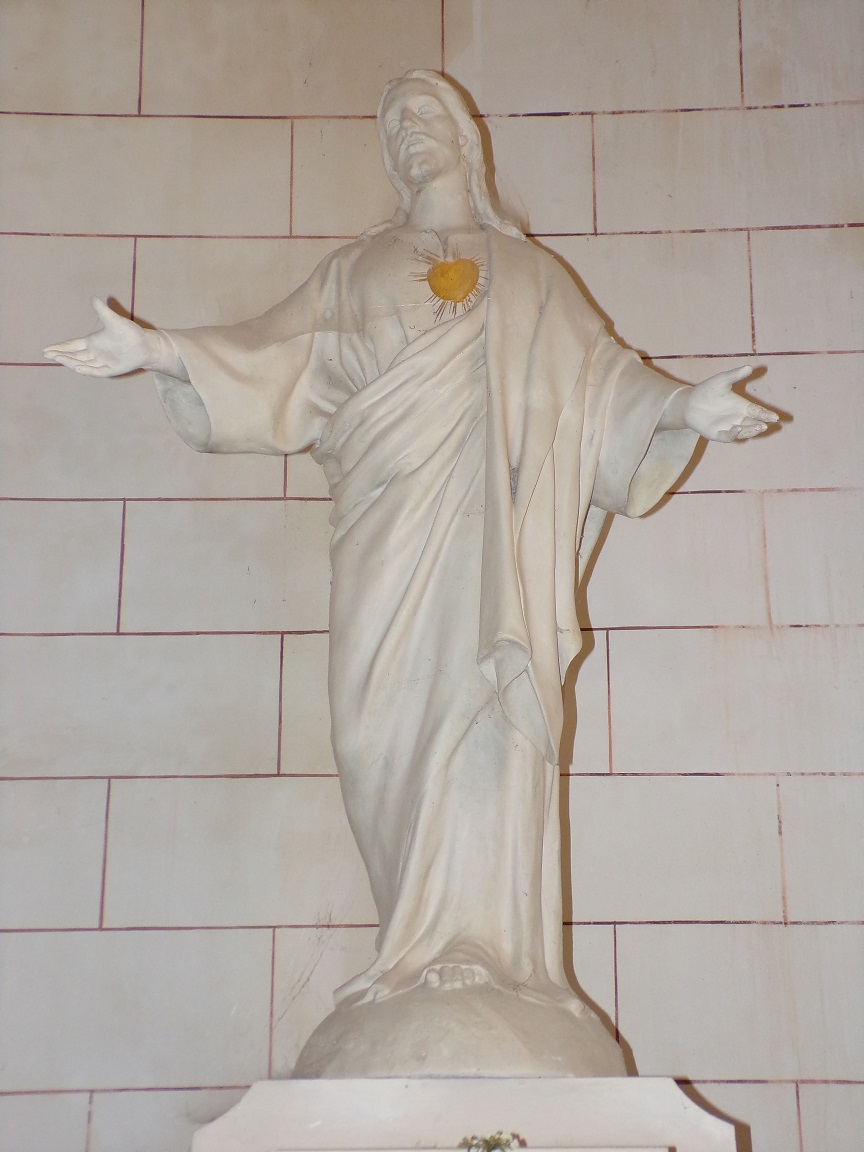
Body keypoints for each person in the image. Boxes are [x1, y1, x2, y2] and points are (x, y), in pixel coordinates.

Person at [45, 72, 777, 1021]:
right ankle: (411, 942)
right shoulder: (352, 272)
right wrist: (165, 352)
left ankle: (486, 952)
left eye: (427, 118)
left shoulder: (535, 279)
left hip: (494, 557)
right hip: (387, 539)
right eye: (394, 126)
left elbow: (602, 388)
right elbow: (276, 357)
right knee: (375, 731)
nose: (410, 135)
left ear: (469, 140)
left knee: (483, 713)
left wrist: (682, 406)